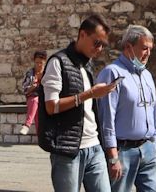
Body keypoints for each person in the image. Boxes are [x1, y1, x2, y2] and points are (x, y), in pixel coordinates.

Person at [39, 14, 120, 192]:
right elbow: (51, 106)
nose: (99, 49)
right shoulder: (57, 62)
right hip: (67, 151)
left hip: (94, 146)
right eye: (96, 42)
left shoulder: (87, 65)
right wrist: (89, 93)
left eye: (103, 45)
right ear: (82, 34)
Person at [95, 25, 156, 192]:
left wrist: (155, 143)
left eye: (150, 49)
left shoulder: (147, 75)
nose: (148, 54)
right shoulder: (112, 73)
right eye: (144, 48)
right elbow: (106, 119)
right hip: (122, 151)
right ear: (128, 47)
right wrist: (112, 157)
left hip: (148, 149)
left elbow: (153, 110)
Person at [21, 49, 47, 137]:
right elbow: (24, 90)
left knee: (37, 113)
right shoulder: (30, 73)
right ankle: (28, 125)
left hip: (45, 98)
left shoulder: (47, 73)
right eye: (36, 62)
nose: (38, 65)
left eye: (41, 63)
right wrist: (33, 86)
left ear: (45, 62)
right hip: (32, 98)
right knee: (35, 101)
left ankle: (28, 126)